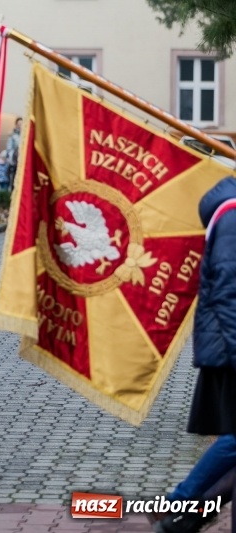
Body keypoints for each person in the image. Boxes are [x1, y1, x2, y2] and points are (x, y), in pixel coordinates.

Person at [151, 176, 236, 533]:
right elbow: (227, 292)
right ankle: (176, 505)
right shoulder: (233, 216)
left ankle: (182, 519)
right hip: (229, 348)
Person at [5, 117, 22, 187]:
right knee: (15, 180)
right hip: (15, 161)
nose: (20, 126)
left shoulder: (26, 135)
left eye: (22, 124)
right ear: (16, 125)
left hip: (24, 161)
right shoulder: (13, 136)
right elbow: (9, 149)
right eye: (19, 124)